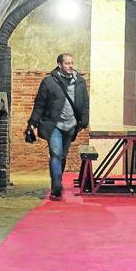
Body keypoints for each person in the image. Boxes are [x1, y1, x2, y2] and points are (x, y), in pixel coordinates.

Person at [28, 53, 89, 200]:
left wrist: (84, 120)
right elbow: (40, 104)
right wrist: (32, 122)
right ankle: (56, 185)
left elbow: (85, 102)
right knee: (55, 154)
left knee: (62, 156)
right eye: (67, 63)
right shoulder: (49, 82)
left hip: (71, 125)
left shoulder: (80, 81)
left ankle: (57, 179)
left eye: (72, 63)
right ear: (60, 64)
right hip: (54, 125)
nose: (70, 66)